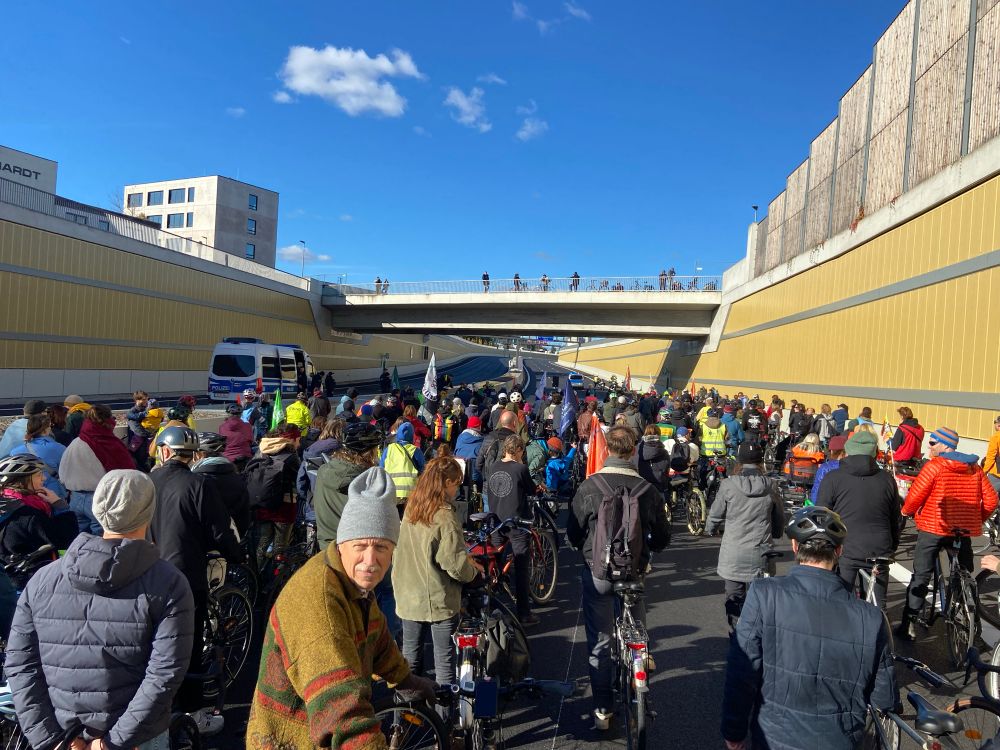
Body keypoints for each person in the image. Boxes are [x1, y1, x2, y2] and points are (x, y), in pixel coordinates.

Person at [247, 467, 436, 749]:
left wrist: (404, 678)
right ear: (342, 543)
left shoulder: (352, 584)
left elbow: (377, 635)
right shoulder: (319, 601)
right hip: (290, 738)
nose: (370, 560)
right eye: (361, 545)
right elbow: (341, 709)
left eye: (382, 547)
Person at [6, 470, 195, 750]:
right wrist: (111, 742)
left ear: (97, 510)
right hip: (136, 738)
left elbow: (20, 664)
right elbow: (165, 673)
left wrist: (50, 739)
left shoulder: (43, 580)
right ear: (149, 512)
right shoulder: (168, 582)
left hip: (64, 733)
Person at [721, 506, 897, 750]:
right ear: (839, 551)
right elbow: (884, 699)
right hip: (840, 740)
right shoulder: (872, 617)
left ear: (795, 547)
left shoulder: (764, 595)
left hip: (774, 738)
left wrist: (734, 731)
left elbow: (742, 672)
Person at [567, 426, 671, 730]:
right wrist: (650, 549)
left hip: (598, 570)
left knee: (600, 640)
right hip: (633, 570)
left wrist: (583, 548)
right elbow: (662, 534)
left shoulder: (590, 486)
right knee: (635, 615)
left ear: (607, 450)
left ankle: (603, 710)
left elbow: (574, 531)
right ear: (632, 450)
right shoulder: (646, 489)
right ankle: (640, 654)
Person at [149, 425, 242, 735]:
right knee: (187, 647)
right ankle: (191, 714)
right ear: (191, 456)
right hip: (186, 577)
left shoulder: (145, 482)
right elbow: (219, 532)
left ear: (163, 451)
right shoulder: (199, 484)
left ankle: (152, 709)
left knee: (149, 644)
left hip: (146, 575)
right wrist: (236, 553)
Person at [393, 458, 482, 710]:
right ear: (445, 483)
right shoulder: (444, 516)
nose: (457, 490)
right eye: (455, 484)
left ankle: (405, 719)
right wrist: (474, 574)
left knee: (410, 661)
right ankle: (443, 729)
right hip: (436, 598)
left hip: (407, 592)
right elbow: (453, 563)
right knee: (444, 667)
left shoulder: (413, 507)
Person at [897, 427, 999, 640]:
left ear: (945, 445)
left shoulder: (935, 467)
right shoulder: (975, 469)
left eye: (933, 443)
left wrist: (905, 511)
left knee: (922, 574)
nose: (929, 446)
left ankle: (909, 623)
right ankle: (965, 609)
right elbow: (991, 500)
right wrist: (976, 520)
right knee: (964, 571)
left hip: (934, 527)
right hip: (963, 531)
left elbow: (916, 496)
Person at [815, 430, 901, 608]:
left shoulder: (833, 478)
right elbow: (895, 519)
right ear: (874, 453)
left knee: (841, 601)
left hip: (846, 547)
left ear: (848, 451)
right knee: (877, 605)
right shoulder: (887, 479)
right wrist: (891, 547)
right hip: (880, 547)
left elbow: (822, 516)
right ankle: (879, 629)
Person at [705, 441, 784, 631]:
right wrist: (775, 533)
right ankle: (757, 632)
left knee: (734, 595)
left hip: (734, 550)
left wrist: (711, 528)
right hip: (761, 550)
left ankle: (736, 633)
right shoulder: (771, 485)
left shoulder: (729, 484)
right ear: (760, 461)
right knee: (760, 596)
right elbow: (779, 519)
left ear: (739, 460)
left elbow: (715, 514)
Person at [0, 455, 78, 590]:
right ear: (21, 481)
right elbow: (66, 539)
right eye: (38, 475)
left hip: (10, 579)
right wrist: (61, 506)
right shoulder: (29, 516)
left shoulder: (6, 504)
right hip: (35, 581)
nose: (44, 478)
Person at [485, 435, 539, 626]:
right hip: (517, 522)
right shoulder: (520, 468)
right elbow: (531, 490)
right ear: (517, 450)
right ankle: (524, 613)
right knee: (522, 568)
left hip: (496, 522)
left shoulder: (492, 468)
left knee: (494, 566)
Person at [59, 404, 135, 534]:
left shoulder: (76, 442)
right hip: (100, 498)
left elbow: (63, 471)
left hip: (75, 497)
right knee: (101, 541)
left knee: (79, 539)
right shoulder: (109, 443)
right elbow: (127, 473)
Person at [314, 422, 384, 550]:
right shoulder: (367, 481)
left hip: (326, 546)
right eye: (376, 449)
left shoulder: (323, 471)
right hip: (356, 550)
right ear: (369, 452)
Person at [248, 426, 301, 570]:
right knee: (280, 546)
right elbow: (300, 480)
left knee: (263, 542)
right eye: (298, 439)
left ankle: (256, 575)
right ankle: (276, 579)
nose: (299, 444)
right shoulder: (291, 456)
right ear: (291, 439)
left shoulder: (261, 450)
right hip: (284, 507)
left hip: (261, 503)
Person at [192, 431, 251, 538]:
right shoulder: (236, 477)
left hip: (206, 542)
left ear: (200, 454)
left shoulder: (196, 481)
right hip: (234, 538)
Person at [10, 413, 67, 500]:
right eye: (50, 426)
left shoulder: (15, 452)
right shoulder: (59, 448)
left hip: (27, 496)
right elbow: (67, 473)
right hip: (53, 494)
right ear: (45, 430)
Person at [380, 421, 426, 505]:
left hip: (391, 491)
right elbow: (423, 470)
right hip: (410, 492)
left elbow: (381, 468)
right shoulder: (415, 450)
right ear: (412, 436)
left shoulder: (389, 449)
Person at [810, 434, 848, 505]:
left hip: (826, 507)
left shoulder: (825, 467)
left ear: (831, 451)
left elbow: (817, 490)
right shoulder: (849, 467)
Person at [984, 415, 1000, 495]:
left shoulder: (996, 437)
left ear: (998, 425)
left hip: (996, 474)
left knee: (991, 495)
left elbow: (991, 457)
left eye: (995, 422)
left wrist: (984, 471)